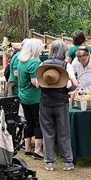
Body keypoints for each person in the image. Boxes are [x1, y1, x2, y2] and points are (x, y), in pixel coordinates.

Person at [37, 39, 74, 171]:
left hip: (45, 103)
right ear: (64, 51)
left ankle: (49, 162)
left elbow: (37, 84)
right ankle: (67, 162)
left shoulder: (43, 64)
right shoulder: (66, 65)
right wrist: (67, 89)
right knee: (63, 132)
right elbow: (75, 83)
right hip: (61, 102)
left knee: (48, 132)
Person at [12, 38, 44, 159]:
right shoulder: (34, 63)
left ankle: (28, 148)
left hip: (23, 96)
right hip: (34, 98)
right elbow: (35, 83)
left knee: (28, 122)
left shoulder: (21, 61)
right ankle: (38, 150)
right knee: (38, 122)